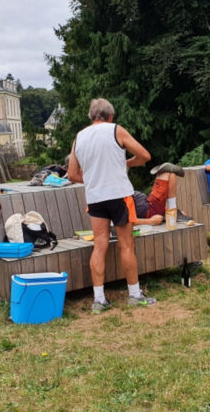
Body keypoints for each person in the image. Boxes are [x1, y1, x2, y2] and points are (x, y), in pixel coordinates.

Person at [66, 98, 156, 313]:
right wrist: (126, 164)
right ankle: (134, 295)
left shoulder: (79, 137)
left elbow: (72, 175)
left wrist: (94, 179)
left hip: (95, 198)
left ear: (91, 116)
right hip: (119, 195)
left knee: (99, 246)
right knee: (126, 245)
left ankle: (99, 300)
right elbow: (144, 156)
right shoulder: (116, 130)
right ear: (111, 116)